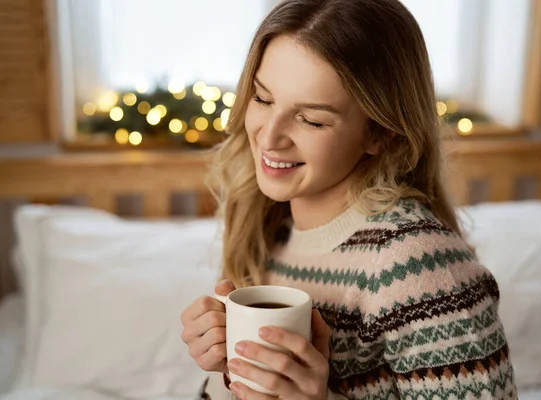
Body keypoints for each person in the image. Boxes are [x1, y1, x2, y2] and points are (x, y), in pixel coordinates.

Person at [180, 0, 518, 398]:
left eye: (312, 119)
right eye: (263, 99)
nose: (269, 137)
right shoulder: (269, 232)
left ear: (380, 133)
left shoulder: (417, 264)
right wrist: (228, 372)